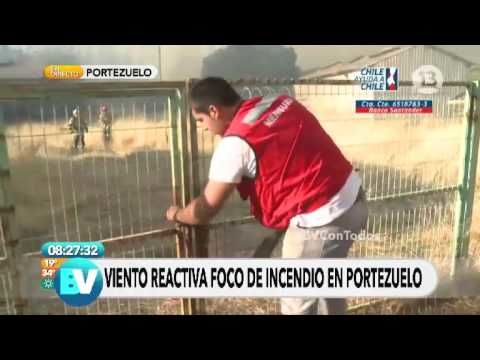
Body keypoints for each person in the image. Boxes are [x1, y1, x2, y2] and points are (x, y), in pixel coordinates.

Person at [165, 77, 368, 315]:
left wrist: (177, 214)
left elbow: (205, 210)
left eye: (201, 120)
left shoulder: (235, 144)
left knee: (296, 305)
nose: (204, 128)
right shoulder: (281, 102)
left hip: (322, 221)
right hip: (354, 199)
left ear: (214, 111)